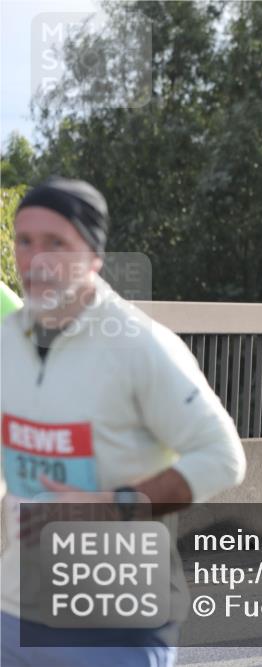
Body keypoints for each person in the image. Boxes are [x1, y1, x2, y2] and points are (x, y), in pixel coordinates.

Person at [1, 177, 247, 666]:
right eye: (24, 241)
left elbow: (223, 456)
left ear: (94, 255)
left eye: (57, 242)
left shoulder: (138, 345)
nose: (37, 259)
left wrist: (112, 506)